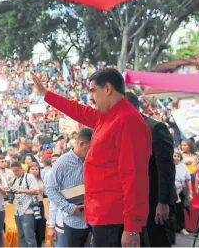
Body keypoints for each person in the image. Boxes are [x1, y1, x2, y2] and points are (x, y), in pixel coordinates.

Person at [31, 68, 152, 247]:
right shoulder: (109, 117)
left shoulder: (127, 121)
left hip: (115, 220)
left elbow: (134, 177)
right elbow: (77, 110)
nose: (91, 97)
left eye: (93, 91)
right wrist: (46, 94)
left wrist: (132, 227)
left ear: (108, 88)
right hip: (102, 216)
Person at [126, 92, 177, 246]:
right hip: (136, 203)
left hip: (155, 202)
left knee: (157, 241)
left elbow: (166, 168)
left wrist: (163, 201)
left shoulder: (155, 128)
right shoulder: (126, 130)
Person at [46, 127, 93, 247]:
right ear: (82, 144)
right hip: (74, 222)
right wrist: (69, 208)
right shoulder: (62, 163)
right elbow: (50, 189)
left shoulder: (93, 160)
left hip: (94, 220)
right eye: (91, 146)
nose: (93, 150)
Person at [10, 161, 40, 247]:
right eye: (13, 171)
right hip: (17, 211)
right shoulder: (14, 179)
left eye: (16, 171)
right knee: (21, 237)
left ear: (21, 169)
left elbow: (36, 191)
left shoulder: (29, 177)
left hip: (28, 211)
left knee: (29, 237)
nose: (15, 173)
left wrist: (20, 190)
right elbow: (12, 193)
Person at [174, 150, 192, 236]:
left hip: (181, 191)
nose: (176, 157)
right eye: (174, 156)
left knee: (180, 209)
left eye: (178, 156)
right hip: (171, 191)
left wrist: (190, 192)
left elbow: (188, 180)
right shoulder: (168, 165)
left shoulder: (183, 166)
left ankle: (182, 227)